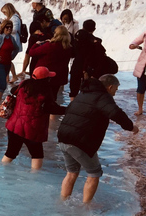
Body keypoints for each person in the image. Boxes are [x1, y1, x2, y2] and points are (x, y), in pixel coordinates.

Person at [58, 74, 138, 203]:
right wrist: (131, 127)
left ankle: (62, 202)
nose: (115, 93)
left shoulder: (83, 93)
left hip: (63, 137)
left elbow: (69, 110)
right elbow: (115, 113)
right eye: (115, 90)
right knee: (94, 173)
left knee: (71, 172)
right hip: (79, 141)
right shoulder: (103, 97)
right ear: (110, 87)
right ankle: (86, 208)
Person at [2, 66, 67, 170]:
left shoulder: (23, 85)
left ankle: (2, 171)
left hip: (14, 126)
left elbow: (13, 91)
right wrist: (69, 110)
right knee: (37, 155)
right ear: (46, 79)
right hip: (32, 129)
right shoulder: (45, 92)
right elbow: (51, 109)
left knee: (11, 153)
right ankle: (34, 178)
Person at [26, 25, 73, 100]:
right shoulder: (68, 48)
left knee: (41, 97)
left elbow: (31, 52)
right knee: (53, 97)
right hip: (59, 76)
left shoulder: (50, 46)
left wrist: (37, 44)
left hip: (45, 76)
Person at [69, 20, 111, 100]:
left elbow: (72, 53)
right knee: (87, 90)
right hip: (89, 68)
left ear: (83, 27)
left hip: (76, 65)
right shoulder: (95, 42)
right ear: (94, 29)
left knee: (73, 90)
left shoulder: (77, 39)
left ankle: (72, 108)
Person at [128, 16, 146, 117]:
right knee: (140, 88)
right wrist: (133, 45)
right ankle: (140, 109)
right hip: (143, 64)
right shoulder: (145, 35)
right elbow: (134, 42)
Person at [0, 3, 23, 82]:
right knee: (7, 58)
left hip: (14, 39)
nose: (4, 14)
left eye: (5, 12)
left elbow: (15, 29)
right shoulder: (14, 18)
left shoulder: (15, 18)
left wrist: (5, 26)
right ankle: (8, 77)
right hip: (12, 39)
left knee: (7, 59)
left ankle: (13, 76)